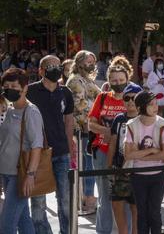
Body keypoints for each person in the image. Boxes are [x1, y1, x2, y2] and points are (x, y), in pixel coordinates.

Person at [27, 56, 75, 234]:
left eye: (58, 65)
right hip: (37, 153)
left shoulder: (66, 92)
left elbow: (69, 121)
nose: (55, 68)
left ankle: (67, 231)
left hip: (62, 151)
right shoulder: (30, 91)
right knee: (38, 202)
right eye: (50, 66)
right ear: (41, 70)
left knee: (65, 199)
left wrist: (70, 149)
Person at [88, 57, 132, 234]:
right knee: (105, 198)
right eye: (114, 80)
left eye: (121, 80)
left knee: (127, 197)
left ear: (127, 79)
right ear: (108, 81)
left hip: (125, 154)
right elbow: (90, 123)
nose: (118, 83)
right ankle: (103, 231)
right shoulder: (103, 97)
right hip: (102, 150)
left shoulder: (132, 98)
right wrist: (106, 131)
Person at [0, 68, 44, 234]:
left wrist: (30, 175)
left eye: (14, 85)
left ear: (25, 87)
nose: (9, 89)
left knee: (6, 225)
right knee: (23, 221)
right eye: (6, 86)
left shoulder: (31, 112)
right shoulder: (8, 110)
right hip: (6, 172)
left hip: (21, 174)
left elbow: (37, 146)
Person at [124, 91, 164, 234]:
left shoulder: (162, 124)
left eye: (156, 103)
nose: (155, 107)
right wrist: (152, 151)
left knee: (154, 213)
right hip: (138, 175)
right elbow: (128, 155)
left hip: (158, 174)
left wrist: (139, 155)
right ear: (141, 108)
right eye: (151, 104)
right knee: (142, 213)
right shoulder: (132, 125)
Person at [66, 50, 102, 213]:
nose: (91, 64)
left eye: (93, 61)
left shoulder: (86, 79)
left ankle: (87, 198)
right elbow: (79, 105)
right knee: (87, 166)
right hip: (82, 128)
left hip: (90, 126)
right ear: (79, 62)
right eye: (88, 61)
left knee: (89, 165)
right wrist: (96, 107)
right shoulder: (75, 80)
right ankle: (87, 200)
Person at [107, 84, 141, 234]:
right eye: (127, 98)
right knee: (117, 204)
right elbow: (113, 143)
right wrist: (109, 167)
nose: (130, 101)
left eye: (134, 98)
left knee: (136, 207)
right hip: (120, 168)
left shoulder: (145, 118)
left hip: (139, 170)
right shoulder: (119, 118)